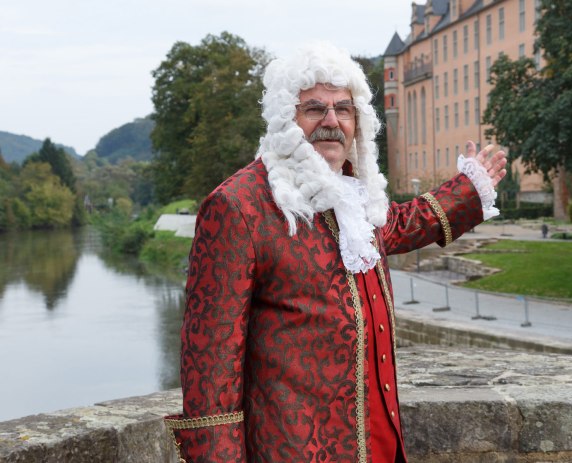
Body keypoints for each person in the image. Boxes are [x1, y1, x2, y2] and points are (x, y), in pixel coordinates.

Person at [164, 42, 507, 463]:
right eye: (314, 109)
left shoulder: (353, 197)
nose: (331, 121)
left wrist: (468, 190)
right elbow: (209, 367)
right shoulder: (238, 206)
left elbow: (396, 225)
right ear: (284, 118)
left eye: (343, 109)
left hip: (380, 447)